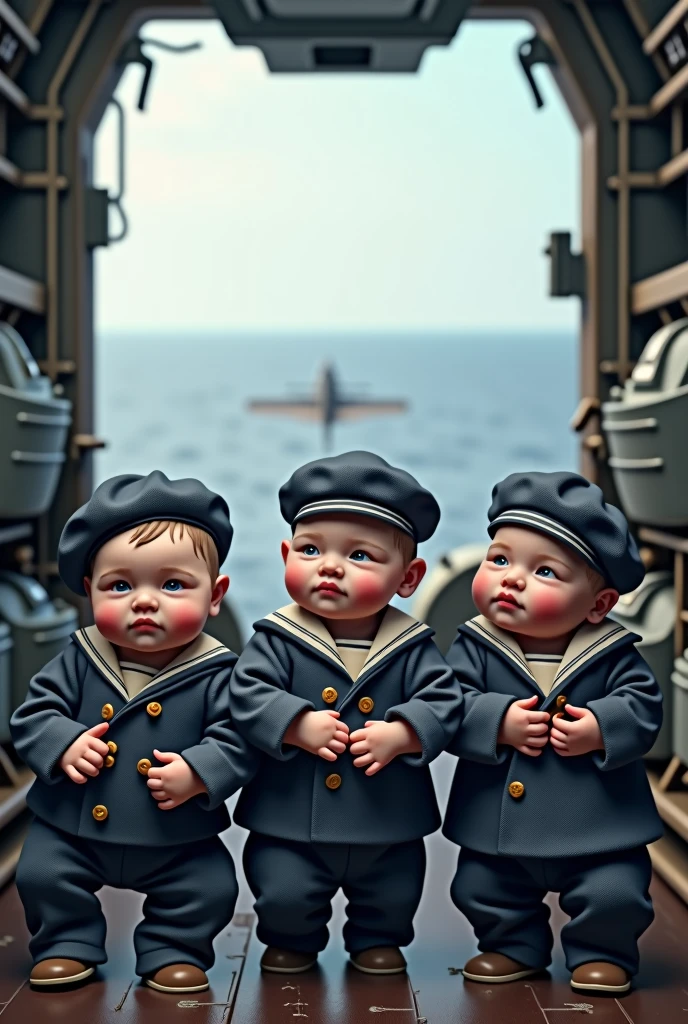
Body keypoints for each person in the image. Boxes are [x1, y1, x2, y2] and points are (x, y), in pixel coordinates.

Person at [11, 471, 256, 993]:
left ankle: (175, 946)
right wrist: (63, 743)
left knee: (207, 885)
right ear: (88, 592)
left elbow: (238, 737)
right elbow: (33, 714)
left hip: (174, 832)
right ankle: (66, 942)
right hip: (75, 823)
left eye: (173, 585)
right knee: (43, 874)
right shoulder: (79, 658)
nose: (144, 601)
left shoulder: (219, 673)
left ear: (215, 596)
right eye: (120, 586)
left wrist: (200, 770)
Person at [229, 451, 462, 975]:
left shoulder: (412, 644)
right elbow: (245, 692)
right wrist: (293, 721)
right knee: (284, 886)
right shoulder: (277, 638)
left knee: (393, 888)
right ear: (286, 553)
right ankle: (291, 939)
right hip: (289, 813)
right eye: (310, 550)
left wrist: (406, 732)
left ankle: (378, 940)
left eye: (360, 556)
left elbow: (444, 700)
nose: (330, 566)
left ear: (409, 577)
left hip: (386, 813)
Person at [443, 470, 663, 995]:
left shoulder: (614, 655)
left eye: (544, 570)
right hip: (499, 822)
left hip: (599, 824)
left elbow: (645, 707)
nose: (510, 579)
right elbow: (447, 705)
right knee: (482, 887)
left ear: (598, 605)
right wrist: (496, 722)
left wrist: (602, 728)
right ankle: (510, 944)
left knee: (615, 892)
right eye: (498, 559)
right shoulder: (474, 647)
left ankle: (603, 951)